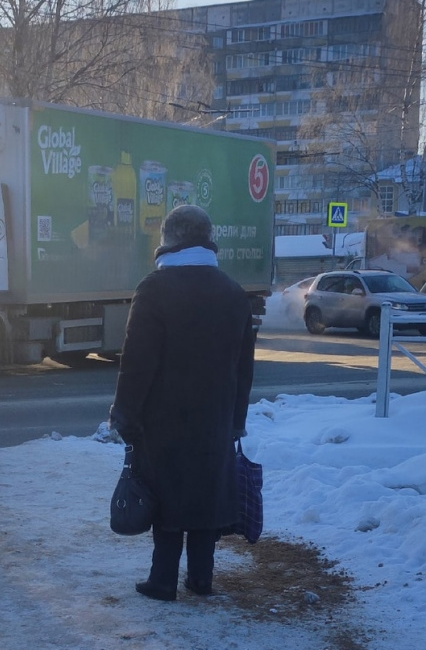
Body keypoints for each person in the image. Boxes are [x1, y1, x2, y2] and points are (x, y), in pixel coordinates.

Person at [109, 204, 257, 602]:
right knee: (205, 494)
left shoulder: (154, 290)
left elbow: (136, 363)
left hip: (164, 419)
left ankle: (162, 580)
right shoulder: (233, 292)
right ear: (208, 239)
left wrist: (125, 414)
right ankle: (201, 578)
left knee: (167, 495)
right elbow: (244, 367)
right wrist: (236, 419)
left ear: (168, 240)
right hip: (215, 419)